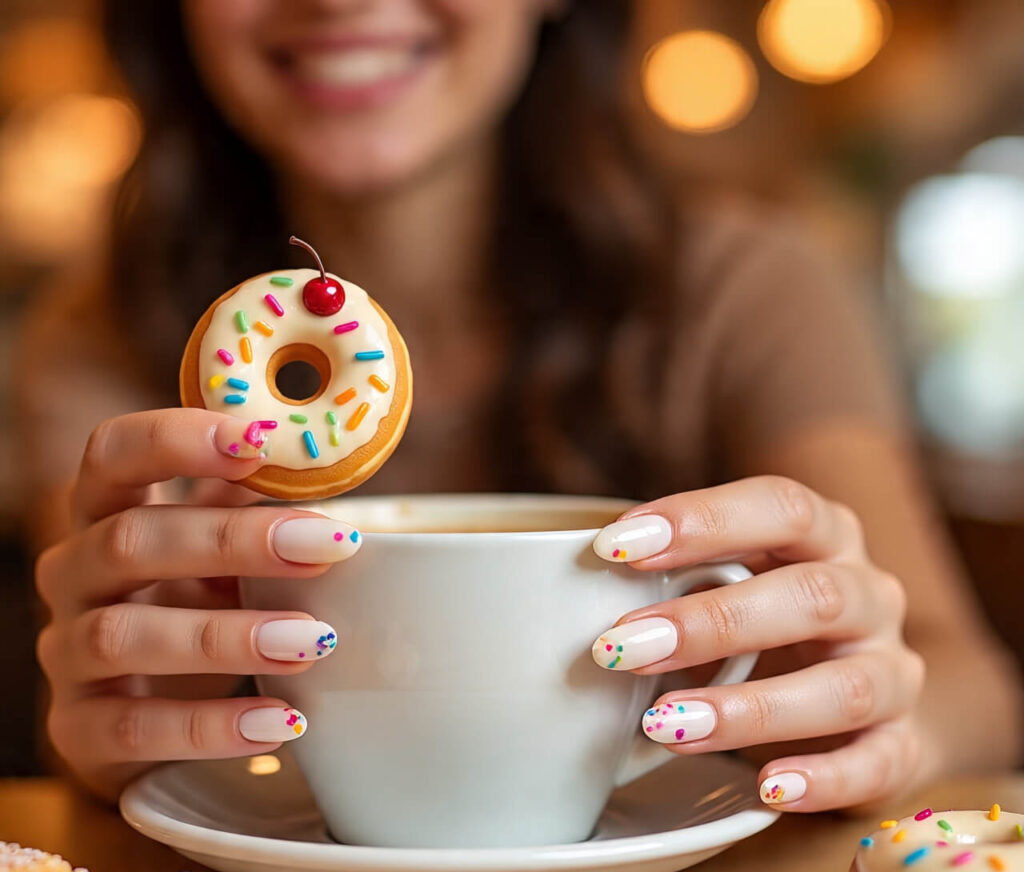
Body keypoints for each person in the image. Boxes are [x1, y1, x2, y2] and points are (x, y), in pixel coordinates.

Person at [18, 0, 1021, 805]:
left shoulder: (746, 291)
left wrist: (880, 706)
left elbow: (972, 687)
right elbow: (104, 718)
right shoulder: (91, 350)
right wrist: (122, 727)